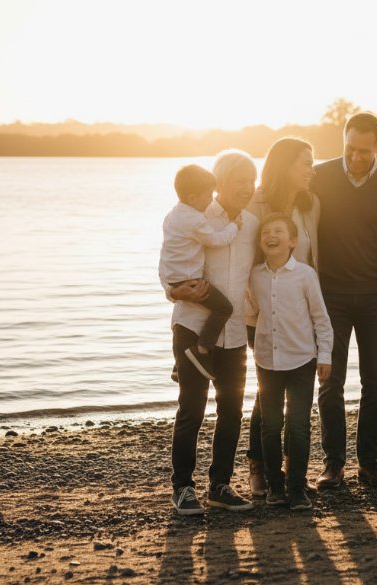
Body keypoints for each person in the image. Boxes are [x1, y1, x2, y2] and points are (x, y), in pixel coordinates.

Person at [312, 113, 377, 488]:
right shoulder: (319, 176)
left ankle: (370, 463)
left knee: (375, 383)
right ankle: (333, 465)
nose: (356, 157)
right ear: (343, 140)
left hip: (375, 296)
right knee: (330, 382)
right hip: (330, 296)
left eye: (364, 151)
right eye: (350, 149)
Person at [164, 150, 259, 515]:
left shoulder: (251, 223)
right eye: (240, 180)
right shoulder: (195, 215)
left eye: (252, 181)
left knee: (232, 410)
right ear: (220, 183)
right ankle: (183, 487)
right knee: (192, 409)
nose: (247, 187)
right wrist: (171, 290)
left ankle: (220, 485)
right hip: (192, 326)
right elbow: (170, 262)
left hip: (234, 332)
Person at [243, 137, 321, 496]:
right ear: (285, 164)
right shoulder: (256, 203)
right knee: (266, 392)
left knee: (293, 401)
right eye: (305, 162)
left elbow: (312, 257)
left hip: (298, 311)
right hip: (260, 309)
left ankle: (293, 473)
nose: (311, 168)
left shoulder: (311, 204)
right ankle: (259, 465)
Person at [249, 213, 333, 510]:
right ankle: (275, 485)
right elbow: (250, 309)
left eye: (278, 231)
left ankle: (297, 487)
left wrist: (325, 355)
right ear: (261, 241)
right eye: (265, 232)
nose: (271, 235)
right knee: (270, 426)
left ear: (293, 241)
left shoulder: (305, 274)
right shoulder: (254, 275)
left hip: (301, 360)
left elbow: (320, 319)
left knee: (298, 425)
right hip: (266, 361)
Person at [159, 164, 242, 380]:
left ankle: (180, 365)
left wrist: (171, 288)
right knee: (224, 308)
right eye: (208, 196)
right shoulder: (195, 220)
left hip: (175, 281)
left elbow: (165, 253)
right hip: (193, 282)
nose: (210, 200)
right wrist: (234, 226)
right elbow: (216, 240)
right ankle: (202, 349)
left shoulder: (172, 215)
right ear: (193, 196)